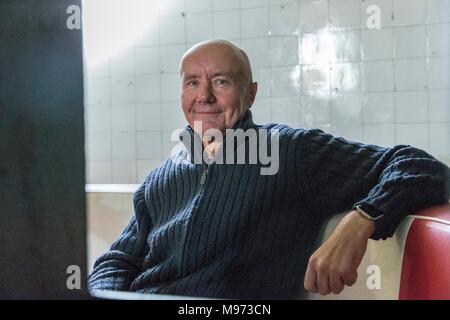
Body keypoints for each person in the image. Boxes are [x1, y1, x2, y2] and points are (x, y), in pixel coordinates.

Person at [88, 39, 450, 299]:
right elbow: (118, 260)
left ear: (251, 93)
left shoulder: (290, 151)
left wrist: (360, 220)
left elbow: (420, 167)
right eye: (192, 82)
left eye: (222, 82)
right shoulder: (161, 177)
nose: (205, 96)